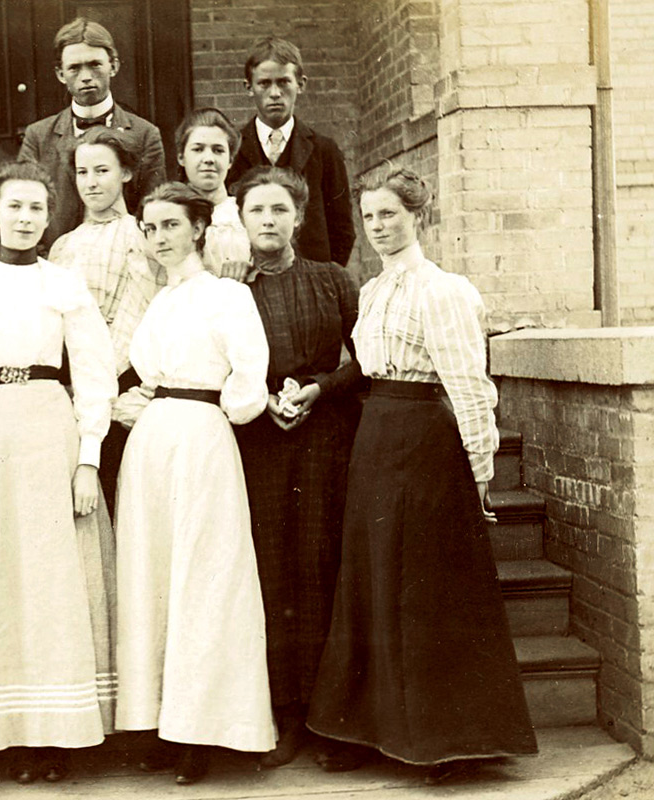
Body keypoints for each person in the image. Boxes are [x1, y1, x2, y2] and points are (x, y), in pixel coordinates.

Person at [307, 167, 537, 783]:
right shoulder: (375, 291)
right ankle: (373, 730)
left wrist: (480, 464)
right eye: (370, 216)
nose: (379, 227)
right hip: (376, 436)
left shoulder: (445, 291)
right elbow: (364, 366)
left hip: (426, 441)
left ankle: (444, 738)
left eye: (390, 215)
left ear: (419, 217)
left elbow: (466, 380)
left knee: (423, 586)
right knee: (373, 577)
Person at [0, 161, 118, 783]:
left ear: (48, 216)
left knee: (49, 581)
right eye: (14, 206)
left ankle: (55, 734)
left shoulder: (65, 286)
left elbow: (94, 376)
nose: (25, 217)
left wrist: (87, 460)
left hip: (49, 434)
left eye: (36, 208)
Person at [113, 182, 275, 785]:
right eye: (150, 228)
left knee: (203, 579)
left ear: (199, 229)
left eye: (170, 226)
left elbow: (247, 379)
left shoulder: (227, 296)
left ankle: (202, 732)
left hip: (203, 439)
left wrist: (220, 407)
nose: (159, 238)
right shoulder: (159, 303)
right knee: (153, 577)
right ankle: (158, 722)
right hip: (152, 442)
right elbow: (143, 371)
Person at [230, 167, 364, 768]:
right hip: (258, 441)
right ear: (240, 219)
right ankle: (284, 714)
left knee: (320, 566)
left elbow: (370, 359)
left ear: (299, 218)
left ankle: (331, 717)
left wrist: (320, 388)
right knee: (272, 570)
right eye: (256, 210)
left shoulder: (332, 280)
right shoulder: (230, 289)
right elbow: (216, 367)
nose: (267, 221)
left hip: (325, 437)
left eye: (279, 210)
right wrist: (261, 405)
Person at [48, 126, 162, 515]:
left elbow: (146, 314)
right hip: (78, 386)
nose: (91, 182)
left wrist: (107, 381)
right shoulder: (64, 245)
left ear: (126, 174)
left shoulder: (144, 237)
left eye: (102, 171)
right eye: (82, 172)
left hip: (126, 382)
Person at [19, 17, 166, 245]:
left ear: (113, 66)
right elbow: (25, 206)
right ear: (60, 74)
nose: (86, 76)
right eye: (74, 68)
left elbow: (154, 211)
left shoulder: (144, 134)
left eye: (95, 64)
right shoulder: (38, 136)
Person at [228, 37, 355, 266]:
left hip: (312, 279)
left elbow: (342, 228)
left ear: (301, 84)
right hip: (248, 281)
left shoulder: (324, 150)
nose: (275, 93)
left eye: (284, 82)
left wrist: (325, 278)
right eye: (264, 83)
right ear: (248, 87)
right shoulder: (231, 150)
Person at [175, 108, 251, 278]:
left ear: (230, 160)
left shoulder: (245, 212)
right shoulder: (170, 213)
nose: (208, 159)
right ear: (181, 157)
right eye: (198, 149)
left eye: (218, 150)